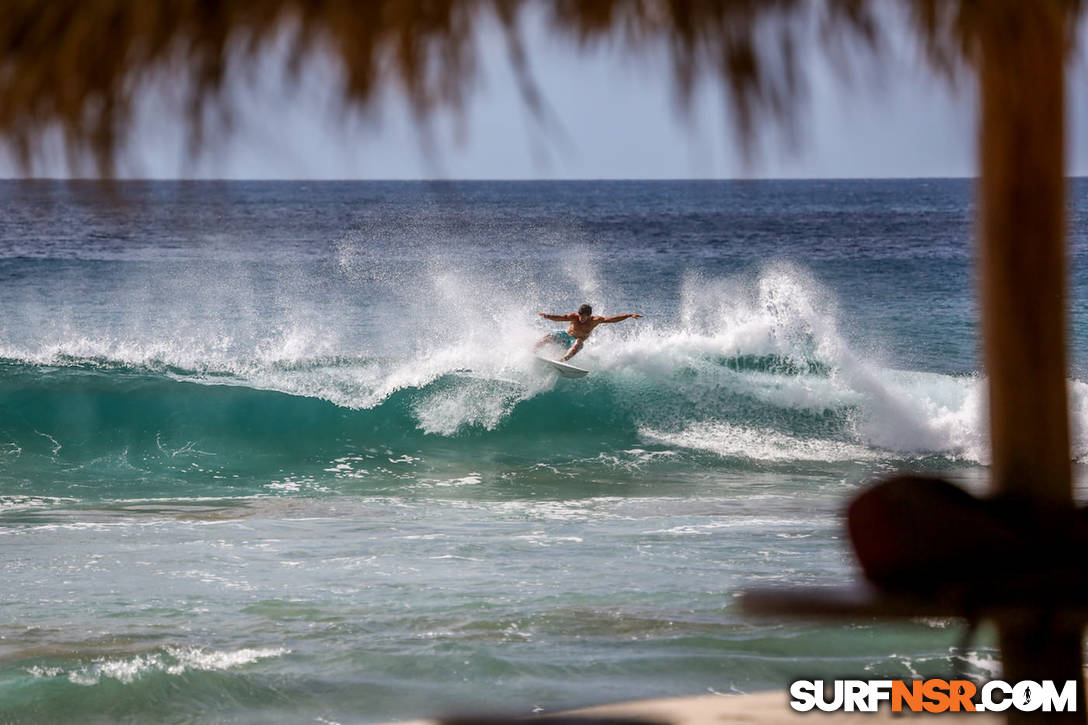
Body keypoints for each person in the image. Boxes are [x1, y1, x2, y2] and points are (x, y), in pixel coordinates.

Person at [535, 304, 642, 361]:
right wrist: (547, 316)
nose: (581, 318)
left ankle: (562, 360)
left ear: (589, 315)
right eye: (580, 315)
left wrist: (628, 315)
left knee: (579, 341)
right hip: (565, 336)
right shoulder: (574, 316)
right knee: (549, 336)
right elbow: (560, 318)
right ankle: (533, 350)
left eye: (584, 316)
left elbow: (612, 319)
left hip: (574, 343)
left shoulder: (595, 321)